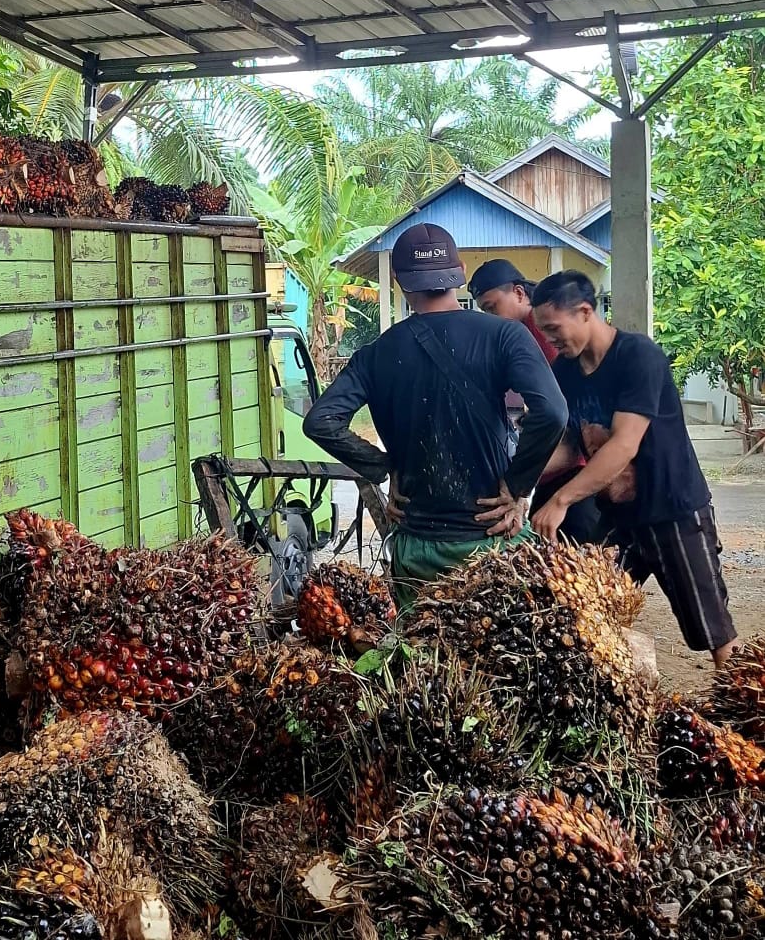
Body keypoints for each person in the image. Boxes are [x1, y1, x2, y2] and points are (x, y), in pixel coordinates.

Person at [302, 223, 568, 607]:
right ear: (459, 271)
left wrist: (385, 467)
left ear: (399, 282)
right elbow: (553, 412)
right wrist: (516, 486)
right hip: (492, 543)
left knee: (420, 660)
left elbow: (320, 421)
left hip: (417, 547)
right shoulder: (505, 336)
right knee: (502, 659)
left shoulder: (376, 354)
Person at [530, 270, 740, 667]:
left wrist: (562, 499)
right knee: (584, 605)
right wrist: (519, 480)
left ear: (586, 312)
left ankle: (741, 711)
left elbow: (624, 444)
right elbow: (571, 445)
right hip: (617, 517)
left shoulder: (637, 356)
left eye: (554, 328)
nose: (550, 339)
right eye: (544, 330)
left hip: (672, 510)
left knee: (711, 627)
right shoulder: (564, 373)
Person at [468, 259, 600, 543]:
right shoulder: (515, 335)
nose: (490, 317)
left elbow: (558, 409)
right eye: (484, 311)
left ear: (518, 293)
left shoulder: (534, 333)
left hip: (574, 462)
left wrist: (519, 486)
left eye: (492, 308)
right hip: (556, 462)